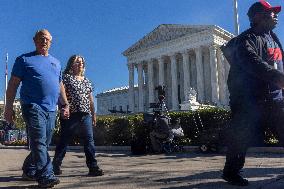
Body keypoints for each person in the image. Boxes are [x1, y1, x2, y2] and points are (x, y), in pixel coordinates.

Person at [221, 0, 284, 186]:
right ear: (258, 16)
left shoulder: (273, 38)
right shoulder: (245, 40)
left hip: (275, 98)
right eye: (271, 12)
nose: (276, 15)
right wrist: (278, 78)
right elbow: (253, 63)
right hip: (250, 102)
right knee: (240, 139)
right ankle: (231, 173)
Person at [4, 29, 69, 188]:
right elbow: (13, 84)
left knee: (44, 143)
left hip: (51, 109)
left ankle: (28, 170)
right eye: (41, 38)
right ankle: (46, 176)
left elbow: (60, 85)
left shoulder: (56, 62)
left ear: (51, 42)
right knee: (39, 141)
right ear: (35, 40)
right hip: (32, 106)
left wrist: (65, 104)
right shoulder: (24, 60)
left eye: (47, 39)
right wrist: (8, 107)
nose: (44, 41)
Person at [52, 55, 104, 176]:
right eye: (77, 62)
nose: (80, 64)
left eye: (82, 62)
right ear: (71, 64)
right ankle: (55, 165)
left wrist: (94, 115)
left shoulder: (87, 81)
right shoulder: (66, 78)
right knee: (64, 141)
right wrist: (62, 108)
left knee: (89, 141)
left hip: (86, 115)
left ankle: (93, 167)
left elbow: (90, 100)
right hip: (71, 115)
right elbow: (60, 94)